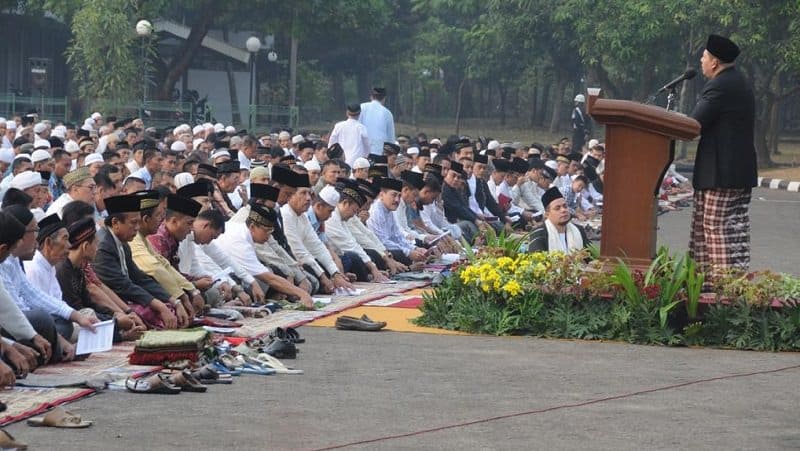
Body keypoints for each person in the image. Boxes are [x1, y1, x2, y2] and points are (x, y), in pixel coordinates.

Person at [689, 34, 757, 277]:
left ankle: (722, 293)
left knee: (715, 229)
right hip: (738, 173)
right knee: (734, 232)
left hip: (721, 174)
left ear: (715, 62)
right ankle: (722, 289)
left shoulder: (720, 85)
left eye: (704, 56)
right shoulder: (740, 81)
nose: (701, 60)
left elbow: (694, 123)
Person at [93, 193, 179, 329]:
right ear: (115, 223)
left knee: (170, 307)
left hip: (127, 299)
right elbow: (123, 285)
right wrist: (158, 304)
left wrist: (173, 300)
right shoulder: (103, 246)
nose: (138, 228)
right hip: (112, 305)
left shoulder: (123, 243)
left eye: (138, 222)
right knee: (157, 313)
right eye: (133, 223)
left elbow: (139, 277)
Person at [527, 187, 589, 254]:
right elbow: (536, 261)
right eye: (557, 208)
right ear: (547, 214)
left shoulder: (579, 230)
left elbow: (591, 257)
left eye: (565, 206)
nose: (563, 210)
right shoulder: (538, 233)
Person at [359, 88, 395, 156]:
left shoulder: (361, 107)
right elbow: (391, 139)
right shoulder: (387, 113)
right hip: (379, 152)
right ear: (384, 98)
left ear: (371, 97)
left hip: (362, 151)